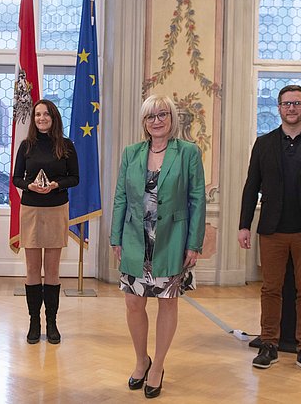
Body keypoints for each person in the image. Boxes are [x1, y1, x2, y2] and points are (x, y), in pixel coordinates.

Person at [238, 84, 301, 377]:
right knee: (270, 289)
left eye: (296, 103)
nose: (291, 108)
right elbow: (251, 188)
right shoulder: (264, 143)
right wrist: (244, 225)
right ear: (278, 108)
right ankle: (268, 344)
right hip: (271, 231)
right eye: (286, 104)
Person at [110, 94, 206, 398]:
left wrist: (194, 243)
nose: (156, 121)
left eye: (162, 114)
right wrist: (116, 238)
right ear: (144, 122)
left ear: (171, 118)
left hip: (172, 240)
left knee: (167, 301)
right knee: (134, 302)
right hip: (135, 239)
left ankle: (158, 365)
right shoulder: (131, 153)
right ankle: (141, 359)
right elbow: (121, 197)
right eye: (151, 116)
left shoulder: (188, 153)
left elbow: (197, 199)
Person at [12, 99, 79, 345]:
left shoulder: (67, 145)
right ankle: (34, 322)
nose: (41, 118)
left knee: (52, 270)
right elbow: (16, 178)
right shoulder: (26, 146)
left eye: (46, 114)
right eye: (37, 114)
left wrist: (55, 185)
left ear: (54, 117)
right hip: (30, 209)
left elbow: (75, 178)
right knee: (32, 270)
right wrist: (28, 185)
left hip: (56, 209)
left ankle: (51, 322)